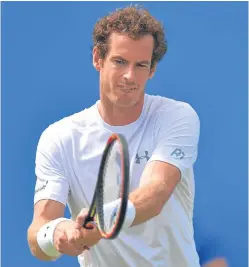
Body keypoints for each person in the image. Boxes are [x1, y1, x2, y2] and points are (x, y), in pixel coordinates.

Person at [27, 5, 201, 267]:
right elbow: (38, 233)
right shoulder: (59, 138)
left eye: (141, 65)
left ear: (152, 70)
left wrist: (100, 222)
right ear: (98, 58)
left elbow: (155, 194)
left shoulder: (177, 116)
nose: (130, 76)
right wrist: (58, 234)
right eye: (120, 62)